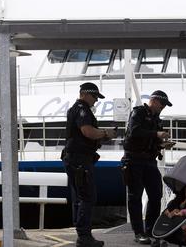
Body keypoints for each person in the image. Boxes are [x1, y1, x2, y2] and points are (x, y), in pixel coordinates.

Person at [61, 82, 117, 247]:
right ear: (85, 94)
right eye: (94, 97)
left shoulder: (78, 109)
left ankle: (83, 235)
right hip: (79, 160)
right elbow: (87, 131)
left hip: (77, 159)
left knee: (82, 196)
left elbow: (86, 135)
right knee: (87, 196)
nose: (95, 101)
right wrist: (106, 133)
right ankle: (84, 237)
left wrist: (104, 136)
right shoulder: (82, 109)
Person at [122, 90, 173, 245]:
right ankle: (139, 232)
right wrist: (156, 134)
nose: (163, 107)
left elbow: (153, 139)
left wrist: (163, 144)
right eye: (162, 104)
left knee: (156, 195)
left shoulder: (157, 119)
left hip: (150, 161)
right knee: (135, 196)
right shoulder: (138, 113)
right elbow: (135, 132)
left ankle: (151, 229)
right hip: (134, 159)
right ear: (155, 101)